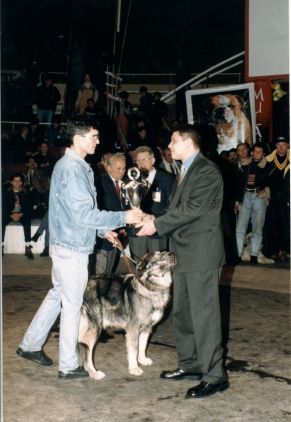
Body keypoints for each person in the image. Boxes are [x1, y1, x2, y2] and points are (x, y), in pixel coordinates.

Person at [16, 117, 144, 380]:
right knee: (73, 305)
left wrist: (102, 230)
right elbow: (84, 214)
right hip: (72, 246)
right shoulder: (73, 169)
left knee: (58, 295)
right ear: (78, 138)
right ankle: (69, 364)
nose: (98, 140)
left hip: (68, 243)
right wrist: (124, 218)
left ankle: (30, 345)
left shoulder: (74, 166)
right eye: (94, 136)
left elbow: (77, 213)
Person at [136, 124, 228, 398]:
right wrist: (154, 217)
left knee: (205, 316)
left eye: (174, 141)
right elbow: (177, 207)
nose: (170, 146)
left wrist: (158, 225)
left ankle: (214, 376)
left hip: (202, 253)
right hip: (184, 252)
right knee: (183, 313)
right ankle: (190, 364)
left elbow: (193, 209)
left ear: (188, 143)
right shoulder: (184, 170)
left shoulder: (206, 171)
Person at [128, 146, 173, 260]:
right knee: (138, 267)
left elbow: (172, 206)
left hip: (158, 232)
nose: (141, 163)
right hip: (137, 232)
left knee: (158, 268)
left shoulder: (167, 179)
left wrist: (157, 219)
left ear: (153, 160)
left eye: (145, 159)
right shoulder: (131, 180)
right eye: (138, 161)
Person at [235, 143, 270, 264]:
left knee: (257, 227)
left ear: (263, 153)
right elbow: (239, 183)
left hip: (259, 197)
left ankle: (254, 255)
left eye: (260, 151)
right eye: (255, 151)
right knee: (240, 227)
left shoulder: (267, 165)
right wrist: (237, 200)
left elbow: (273, 182)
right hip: (246, 196)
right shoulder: (246, 165)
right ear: (252, 152)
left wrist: (267, 190)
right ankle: (238, 254)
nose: (257, 153)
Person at [94, 153, 128, 274]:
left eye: (124, 168)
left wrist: (123, 227)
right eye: (118, 168)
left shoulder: (125, 184)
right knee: (100, 277)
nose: (122, 172)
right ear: (108, 168)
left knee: (109, 274)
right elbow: (99, 211)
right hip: (104, 239)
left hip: (118, 237)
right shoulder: (99, 183)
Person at [2, 173, 34, 259]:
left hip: (21, 213)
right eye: (15, 181)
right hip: (10, 213)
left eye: (19, 181)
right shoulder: (6, 192)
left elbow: (28, 206)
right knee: (1, 221)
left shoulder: (26, 192)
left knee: (27, 222)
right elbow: (3, 206)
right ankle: (1, 246)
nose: (17, 183)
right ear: (11, 182)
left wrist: (20, 214)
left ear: (21, 183)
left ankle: (27, 247)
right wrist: (11, 214)